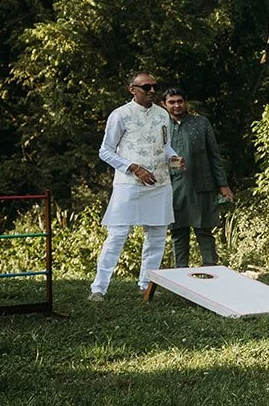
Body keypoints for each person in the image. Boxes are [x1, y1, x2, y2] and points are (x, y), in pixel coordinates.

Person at [89, 72, 183, 301]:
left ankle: (146, 285)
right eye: (146, 87)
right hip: (129, 183)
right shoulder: (120, 115)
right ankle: (99, 288)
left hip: (159, 183)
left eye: (154, 87)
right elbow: (105, 151)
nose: (152, 91)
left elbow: (165, 145)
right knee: (118, 234)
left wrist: (174, 158)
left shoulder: (162, 114)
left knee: (157, 236)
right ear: (132, 89)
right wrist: (133, 168)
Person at [163, 87, 233, 267]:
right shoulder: (160, 126)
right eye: (172, 102)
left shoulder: (201, 123)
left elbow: (214, 155)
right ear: (164, 104)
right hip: (174, 187)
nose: (177, 105)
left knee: (204, 231)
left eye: (180, 101)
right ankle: (181, 278)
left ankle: (212, 275)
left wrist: (222, 185)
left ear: (185, 103)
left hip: (201, 185)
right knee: (178, 233)